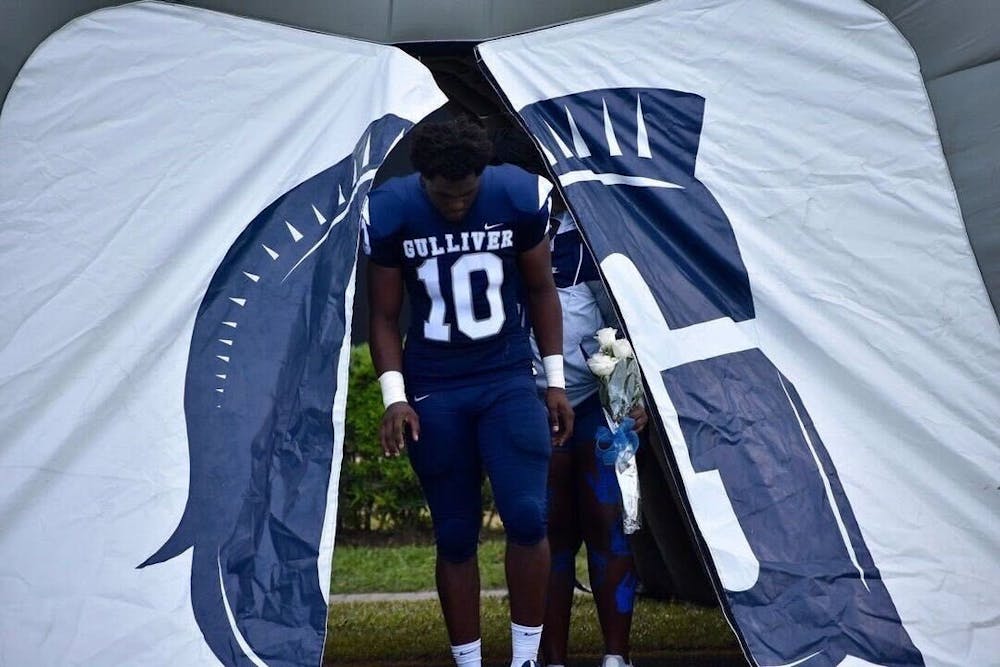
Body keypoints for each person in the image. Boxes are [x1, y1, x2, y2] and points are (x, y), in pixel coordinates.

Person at [363, 116, 574, 667]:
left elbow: (541, 289)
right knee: (455, 533)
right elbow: (383, 316)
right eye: (443, 194)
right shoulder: (392, 208)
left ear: (483, 174)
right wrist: (395, 396)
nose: (456, 205)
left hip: (504, 375)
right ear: (422, 179)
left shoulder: (517, 194)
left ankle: (526, 657)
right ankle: (469, 661)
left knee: (528, 515)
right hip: (434, 382)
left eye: (466, 193)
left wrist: (553, 382)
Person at [530, 204, 647, 667]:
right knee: (545, 532)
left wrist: (633, 395)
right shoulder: (498, 225)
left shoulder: (589, 222)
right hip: (532, 406)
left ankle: (616, 656)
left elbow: (626, 316)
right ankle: (550, 658)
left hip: (598, 404)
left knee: (608, 523)